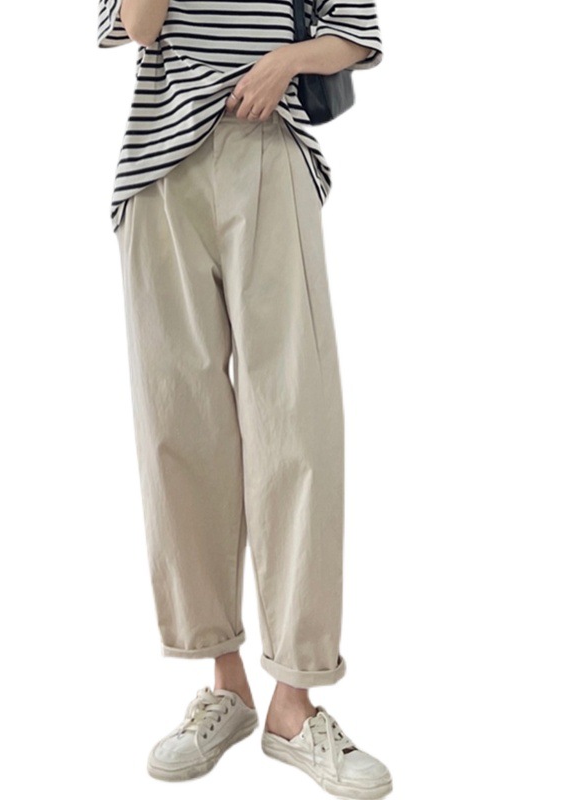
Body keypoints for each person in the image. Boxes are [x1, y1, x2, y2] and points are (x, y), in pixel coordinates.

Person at [98, 0, 392, 796]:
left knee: (298, 424)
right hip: (160, 169)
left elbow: (356, 34)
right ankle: (226, 683)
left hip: (271, 153)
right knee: (181, 430)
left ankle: (294, 701)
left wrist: (285, 62)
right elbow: (138, 26)